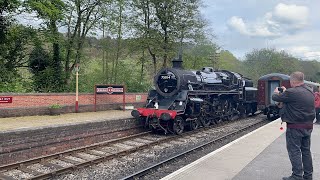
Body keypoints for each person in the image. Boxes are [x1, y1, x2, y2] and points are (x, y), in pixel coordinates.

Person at [272, 72, 315, 180]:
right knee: (306, 151)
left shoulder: (292, 92)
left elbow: (275, 97)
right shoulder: (310, 91)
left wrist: (276, 92)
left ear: (293, 81)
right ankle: (308, 176)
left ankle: (296, 176)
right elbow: (296, 101)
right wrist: (287, 92)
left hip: (295, 127)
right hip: (308, 126)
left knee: (294, 151)